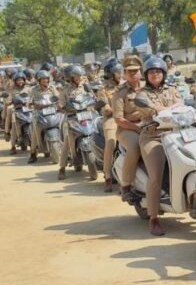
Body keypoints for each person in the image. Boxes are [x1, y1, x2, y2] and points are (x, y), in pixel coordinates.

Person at [137, 56, 183, 235]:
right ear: (146, 75)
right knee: (156, 174)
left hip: (176, 134)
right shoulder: (141, 94)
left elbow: (182, 104)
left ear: (164, 73)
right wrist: (165, 108)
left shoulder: (172, 89)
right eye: (151, 72)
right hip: (153, 137)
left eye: (158, 71)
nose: (155, 74)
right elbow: (149, 110)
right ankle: (153, 217)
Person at [114, 56, 146, 202]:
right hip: (127, 128)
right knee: (135, 146)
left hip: (150, 125)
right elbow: (118, 119)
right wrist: (137, 128)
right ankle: (126, 185)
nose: (133, 74)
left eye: (136, 71)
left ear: (141, 71)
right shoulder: (120, 92)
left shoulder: (148, 87)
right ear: (125, 73)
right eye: (129, 71)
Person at [58, 65, 91, 180]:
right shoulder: (65, 90)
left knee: (96, 133)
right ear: (70, 77)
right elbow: (61, 103)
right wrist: (61, 107)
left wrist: (95, 100)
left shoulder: (85, 86)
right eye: (76, 76)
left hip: (87, 115)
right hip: (72, 117)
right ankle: (62, 168)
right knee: (68, 141)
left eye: (79, 75)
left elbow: (93, 96)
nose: (79, 77)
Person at [97, 61, 125, 192]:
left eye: (121, 72)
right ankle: (107, 176)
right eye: (118, 73)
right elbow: (107, 109)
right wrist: (119, 109)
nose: (121, 75)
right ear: (111, 75)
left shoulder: (126, 86)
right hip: (112, 120)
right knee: (111, 142)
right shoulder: (103, 90)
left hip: (128, 118)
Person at [28, 70, 59, 163]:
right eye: (43, 79)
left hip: (53, 111)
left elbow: (58, 97)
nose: (45, 80)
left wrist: (59, 102)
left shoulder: (52, 88)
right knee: (35, 131)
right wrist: (31, 103)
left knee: (63, 126)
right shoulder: (34, 89)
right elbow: (30, 100)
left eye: (46, 78)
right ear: (39, 80)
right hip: (39, 113)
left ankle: (67, 151)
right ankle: (33, 153)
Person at [8, 73, 32, 155]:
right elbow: (8, 100)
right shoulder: (12, 90)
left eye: (21, 80)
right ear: (15, 81)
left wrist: (31, 102)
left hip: (28, 109)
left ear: (24, 80)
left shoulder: (28, 89)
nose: (20, 81)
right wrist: (10, 101)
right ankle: (13, 146)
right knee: (14, 124)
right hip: (18, 109)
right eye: (18, 80)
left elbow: (33, 97)